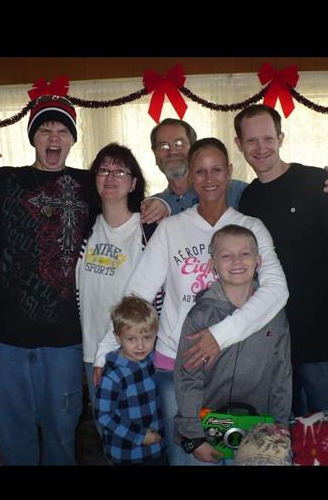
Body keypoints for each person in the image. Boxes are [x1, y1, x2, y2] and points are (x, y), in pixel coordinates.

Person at [0, 96, 169, 465]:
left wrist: (163, 203)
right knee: (13, 439)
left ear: (72, 140)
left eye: (62, 130)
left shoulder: (91, 185)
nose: (53, 137)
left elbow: (128, 191)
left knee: (61, 438)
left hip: (64, 344)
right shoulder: (0, 181)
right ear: (33, 138)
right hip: (2, 341)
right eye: (45, 129)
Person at [95, 138, 289, 464]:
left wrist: (219, 335)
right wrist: (105, 348)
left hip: (237, 367)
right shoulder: (170, 229)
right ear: (190, 176)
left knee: (238, 456)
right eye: (200, 171)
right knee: (187, 456)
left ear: (229, 172)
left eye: (216, 169)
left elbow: (277, 291)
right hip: (175, 366)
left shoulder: (251, 228)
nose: (209, 178)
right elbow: (137, 294)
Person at [234, 104, 328, 415]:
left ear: (281, 138)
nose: (261, 148)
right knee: (291, 444)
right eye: (251, 141)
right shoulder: (248, 199)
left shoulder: (317, 183)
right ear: (239, 145)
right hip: (278, 350)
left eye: (268, 138)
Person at [174, 225, 292, 463]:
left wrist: (280, 427)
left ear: (258, 261)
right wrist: (194, 436)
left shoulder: (274, 314)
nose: (237, 261)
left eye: (245, 254)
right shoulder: (200, 316)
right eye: (226, 255)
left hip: (259, 431)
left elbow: (282, 374)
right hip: (205, 431)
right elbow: (188, 377)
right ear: (212, 264)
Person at [76, 142, 158, 425]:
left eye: (120, 172)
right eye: (103, 170)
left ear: (134, 183)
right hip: (91, 350)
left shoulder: (148, 230)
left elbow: (151, 297)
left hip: (136, 351)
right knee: (109, 436)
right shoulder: (84, 228)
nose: (110, 177)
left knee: (141, 434)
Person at [151, 116, 328, 214]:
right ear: (155, 155)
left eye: (179, 143)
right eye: (163, 146)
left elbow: (282, 202)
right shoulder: (152, 207)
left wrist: (322, 187)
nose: (172, 151)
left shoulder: (238, 192)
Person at [94, 296, 166, 465]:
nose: (140, 346)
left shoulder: (152, 361)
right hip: (127, 454)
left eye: (147, 337)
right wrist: (140, 436)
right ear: (118, 338)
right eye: (131, 339)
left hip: (156, 450)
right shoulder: (113, 375)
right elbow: (103, 415)